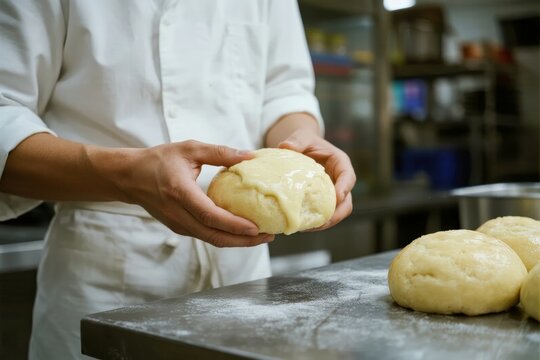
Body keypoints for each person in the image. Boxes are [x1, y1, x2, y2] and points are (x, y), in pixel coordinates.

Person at [0, 1, 356, 359]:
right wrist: (126, 176)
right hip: (106, 276)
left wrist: (300, 146)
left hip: (243, 277)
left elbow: (284, 91)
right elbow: (5, 113)